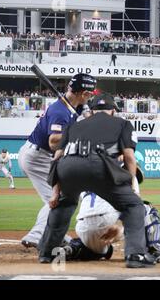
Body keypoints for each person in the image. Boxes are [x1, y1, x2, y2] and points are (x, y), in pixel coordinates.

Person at [39, 93, 156, 268]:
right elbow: (129, 157)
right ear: (113, 111)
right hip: (98, 166)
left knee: (64, 203)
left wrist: (56, 192)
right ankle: (135, 255)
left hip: (67, 168)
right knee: (134, 206)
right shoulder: (123, 124)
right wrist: (131, 185)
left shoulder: (73, 125)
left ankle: (47, 253)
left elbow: (57, 157)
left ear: (91, 112)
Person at [18, 74, 97, 248]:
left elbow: (88, 116)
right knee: (59, 198)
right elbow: (54, 142)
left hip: (40, 156)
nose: (91, 96)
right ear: (83, 93)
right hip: (38, 157)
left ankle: (49, 234)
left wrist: (85, 112)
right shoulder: (60, 111)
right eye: (90, 93)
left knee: (62, 196)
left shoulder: (75, 105)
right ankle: (38, 235)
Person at [60, 192, 160, 264]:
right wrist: (120, 226)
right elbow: (132, 209)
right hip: (107, 223)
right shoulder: (118, 180)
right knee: (146, 208)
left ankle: (74, 248)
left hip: (82, 227)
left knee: (105, 251)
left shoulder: (86, 181)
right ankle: (156, 249)